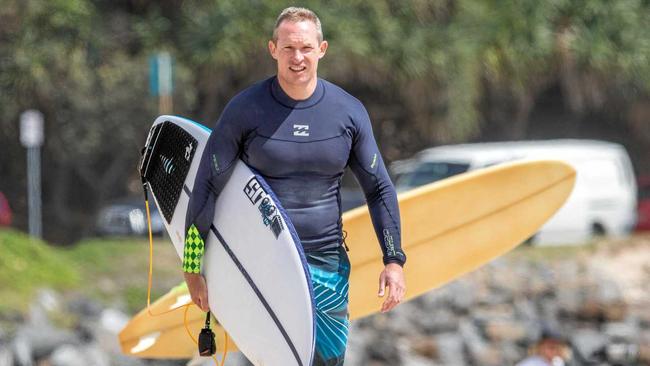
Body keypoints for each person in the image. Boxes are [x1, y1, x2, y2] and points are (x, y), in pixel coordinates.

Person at [182, 7, 406, 365]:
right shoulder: (246, 110)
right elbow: (207, 186)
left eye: (305, 48)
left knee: (327, 362)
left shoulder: (347, 112)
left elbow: (379, 188)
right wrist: (192, 266)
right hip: (262, 261)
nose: (297, 58)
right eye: (288, 48)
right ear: (273, 49)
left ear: (322, 49)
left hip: (327, 262)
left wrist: (394, 260)